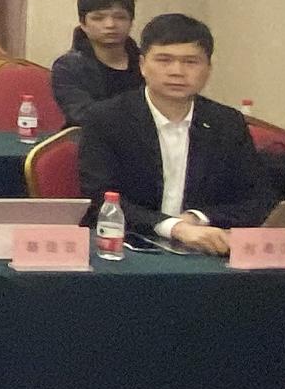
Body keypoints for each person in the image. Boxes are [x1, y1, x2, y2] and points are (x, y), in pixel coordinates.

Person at [75, 14, 273, 252]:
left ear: (208, 69)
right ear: (142, 65)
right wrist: (173, 227)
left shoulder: (226, 123)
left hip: (205, 249)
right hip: (125, 245)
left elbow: (257, 199)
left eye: (191, 62)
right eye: (164, 60)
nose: (177, 71)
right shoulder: (107, 118)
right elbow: (99, 198)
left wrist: (196, 218)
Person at [51, 0, 142, 123]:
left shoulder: (147, 61)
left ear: (131, 22)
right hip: (92, 134)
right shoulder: (68, 66)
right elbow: (81, 114)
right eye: (98, 18)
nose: (110, 25)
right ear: (83, 24)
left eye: (120, 17)